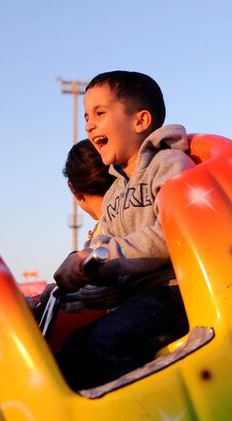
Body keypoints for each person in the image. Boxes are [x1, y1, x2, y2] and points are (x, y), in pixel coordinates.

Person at [53, 70, 194, 390]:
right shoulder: (116, 192)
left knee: (107, 340)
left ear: (140, 121)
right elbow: (105, 243)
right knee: (74, 348)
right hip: (137, 299)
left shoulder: (169, 164)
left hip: (173, 293)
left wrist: (101, 257)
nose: (89, 124)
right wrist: (81, 282)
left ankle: (160, 408)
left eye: (100, 113)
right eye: (87, 116)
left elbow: (170, 234)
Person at [29, 140, 123, 318]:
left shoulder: (107, 229)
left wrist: (60, 291)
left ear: (74, 189)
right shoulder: (134, 211)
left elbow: (105, 289)